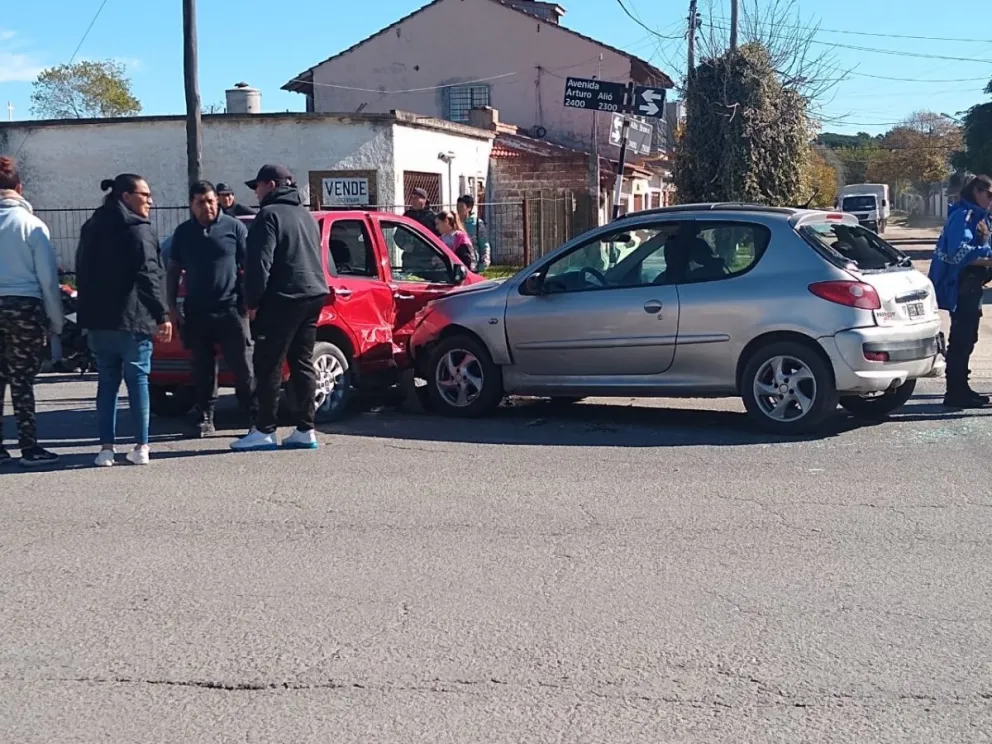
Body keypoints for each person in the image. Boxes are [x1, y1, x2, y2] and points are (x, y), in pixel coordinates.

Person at [231, 164, 328, 452]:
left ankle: (264, 429)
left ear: (271, 185)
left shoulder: (269, 215)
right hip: (313, 293)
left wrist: (252, 301)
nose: (256, 193)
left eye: (258, 186)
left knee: (268, 364)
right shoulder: (306, 216)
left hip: (282, 297)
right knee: (302, 362)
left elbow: (260, 263)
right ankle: (306, 429)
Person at [76, 174, 172, 466]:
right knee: (138, 381)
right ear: (125, 196)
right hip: (132, 318)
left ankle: (106, 449)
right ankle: (141, 446)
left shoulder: (91, 227)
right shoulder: (138, 231)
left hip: (99, 321)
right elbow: (148, 275)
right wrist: (162, 314)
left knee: (107, 384)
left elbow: (82, 271)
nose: (150, 201)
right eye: (145, 195)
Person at [167, 181, 255, 438]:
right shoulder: (183, 233)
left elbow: (249, 266)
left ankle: (253, 416)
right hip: (197, 311)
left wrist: (249, 301)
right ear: (191, 205)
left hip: (231, 309)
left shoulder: (234, 227)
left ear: (217, 201)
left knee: (243, 366)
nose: (206, 206)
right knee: (202, 368)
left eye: (210, 201)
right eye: (200, 202)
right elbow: (173, 269)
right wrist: (170, 306)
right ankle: (205, 417)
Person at [0, 156, 63, 467]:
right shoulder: (32, 225)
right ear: (20, 188)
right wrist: (56, 321)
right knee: (22, 380)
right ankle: (29, 446)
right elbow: (48, 280)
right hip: (24, 307)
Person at [929, 174, 992, 408]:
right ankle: (955, 392)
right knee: (961, 339)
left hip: (972, 285)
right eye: (989, 194)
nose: (991, 199)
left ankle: (962, 389)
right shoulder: (963, 215)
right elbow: (958, 253)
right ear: (976, 191)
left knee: (968, 338)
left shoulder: (979, 216)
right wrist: (987, 259)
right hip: (961, 284)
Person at [456, 194, 491, 271]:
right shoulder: (454, 223)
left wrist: (484, 262)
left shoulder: (477, 224)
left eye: (461, 206)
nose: (458, 209)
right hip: (457, 262)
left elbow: (484, 244)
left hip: (473, 264)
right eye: (457, 206)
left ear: (469, 208)